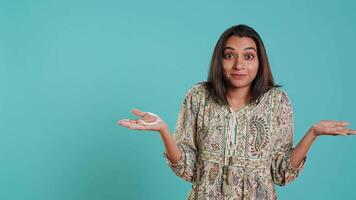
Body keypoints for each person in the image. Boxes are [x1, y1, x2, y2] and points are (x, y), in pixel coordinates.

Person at [117, 24, 356, 200]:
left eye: (248, 56)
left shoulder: (276, 101)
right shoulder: (198, 97)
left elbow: (281, 172)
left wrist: (312, 133)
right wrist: (164, 131)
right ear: (218, 60)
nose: (239, 65)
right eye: (229, 55)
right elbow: (188, 169)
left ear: (260, 61)